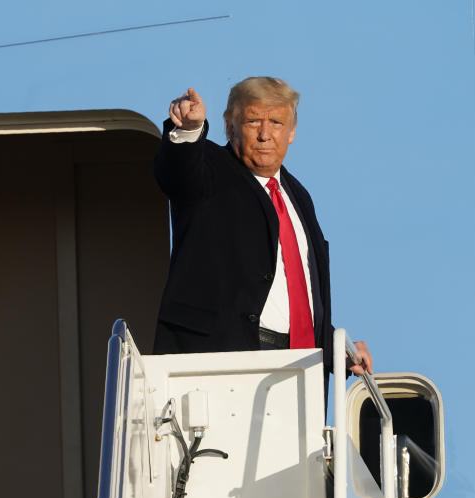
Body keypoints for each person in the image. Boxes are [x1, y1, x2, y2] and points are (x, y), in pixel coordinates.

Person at [152, 77, 371, 376]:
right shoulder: (211, 167)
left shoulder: (299, 197)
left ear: (292, 131)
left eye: (277, 123)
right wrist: (188, 130)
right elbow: (177, 173)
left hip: (299, 368)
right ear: (230, 127)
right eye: (253, 121)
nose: (265, 134)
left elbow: (296, 300)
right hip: (221, 363)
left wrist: (340, 351)